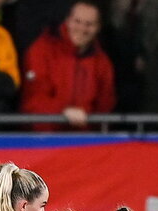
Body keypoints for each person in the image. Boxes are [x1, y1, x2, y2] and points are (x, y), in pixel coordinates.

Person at [20, 0, 116, 130]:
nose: (82, 29)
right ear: (68, 20)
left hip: (85, 142)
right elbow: (34, 99)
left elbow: (105, 106)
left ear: (98, 27)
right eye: (77, 21)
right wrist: (63, 111)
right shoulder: (41, 50)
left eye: (89, 24)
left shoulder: (102, 63)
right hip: (43, 140)